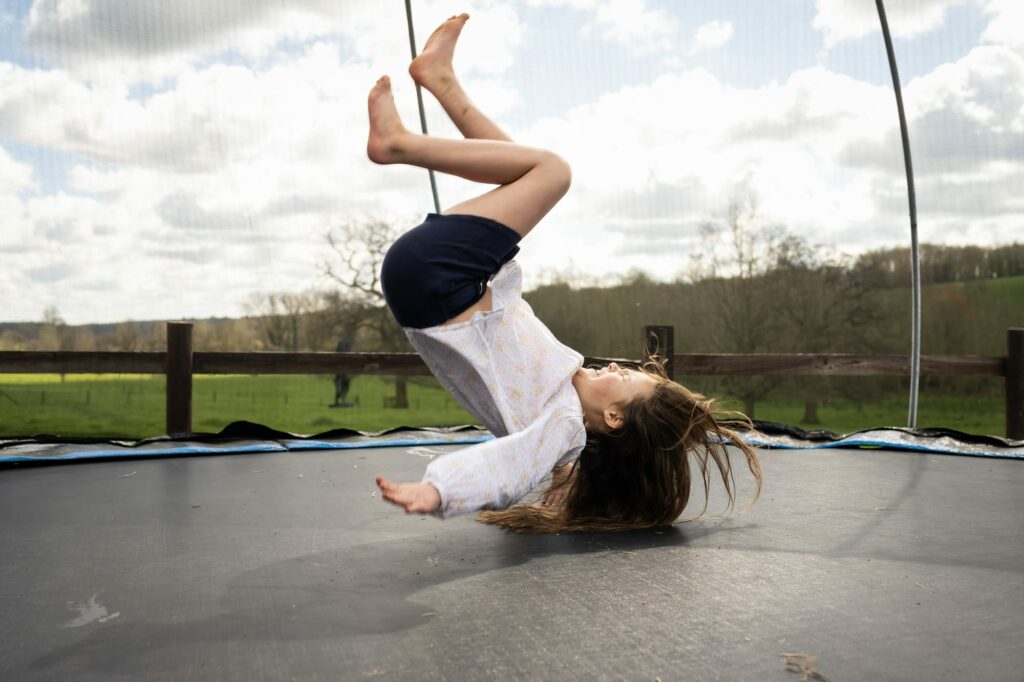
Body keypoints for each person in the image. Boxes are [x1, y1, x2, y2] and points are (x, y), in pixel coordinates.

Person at [371, 14, 761, 532]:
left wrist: (441, 490)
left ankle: (397, 142)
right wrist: (567, 474)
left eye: (627, 379)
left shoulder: (563, 423)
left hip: (439, 284)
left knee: (552, 172)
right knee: (523, 171)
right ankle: (440, 81)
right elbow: (552, 450)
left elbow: (509, 467)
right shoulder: (565, 421)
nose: (617, 366)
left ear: (614, 416)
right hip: (437, 286)